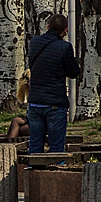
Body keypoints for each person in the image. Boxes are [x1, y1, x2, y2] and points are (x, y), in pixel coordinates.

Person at [26, 13, 80, 154]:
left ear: (48, 26)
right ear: (65, 30)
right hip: (55, 103)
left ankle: (32, 172)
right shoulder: (64, 47)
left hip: (35, 101)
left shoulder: (34, 42)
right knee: (56, 147)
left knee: (35, 144)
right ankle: (55, 170)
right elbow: (73, 73)